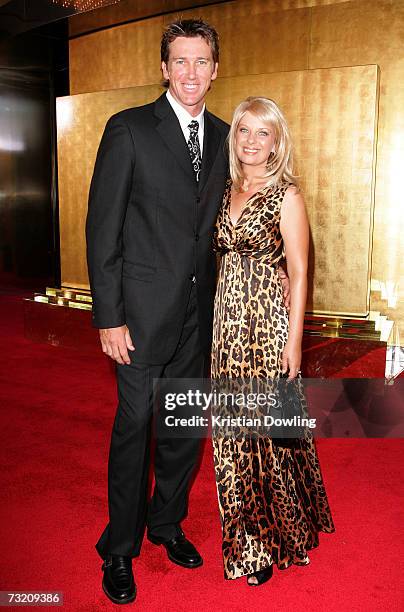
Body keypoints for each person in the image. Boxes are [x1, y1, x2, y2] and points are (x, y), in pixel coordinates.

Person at [86, 19, 229, 605]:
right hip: (140, 316)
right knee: (135, 427)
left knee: (183, 430)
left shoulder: (224, 135)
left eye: (202, 62)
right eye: (181, 61)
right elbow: (102, 230)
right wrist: (109, 316)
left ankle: (166, 524)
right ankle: (120, 547)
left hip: (201, 312)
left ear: (215, 70)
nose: (192, 72)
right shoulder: (129, 129)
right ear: (164, 68)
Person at [211, 97, 335, 586]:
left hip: (267, 325)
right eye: (244, 130)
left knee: (270, 433)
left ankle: (283, 531)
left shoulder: (287, 196)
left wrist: (295, 343)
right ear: (234, 136)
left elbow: (301, 271)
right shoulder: (224, 192)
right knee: (231, 435)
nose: (252, 141)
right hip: (226, 326)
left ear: (276, 141)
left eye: (263, 133)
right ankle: (248, 543)